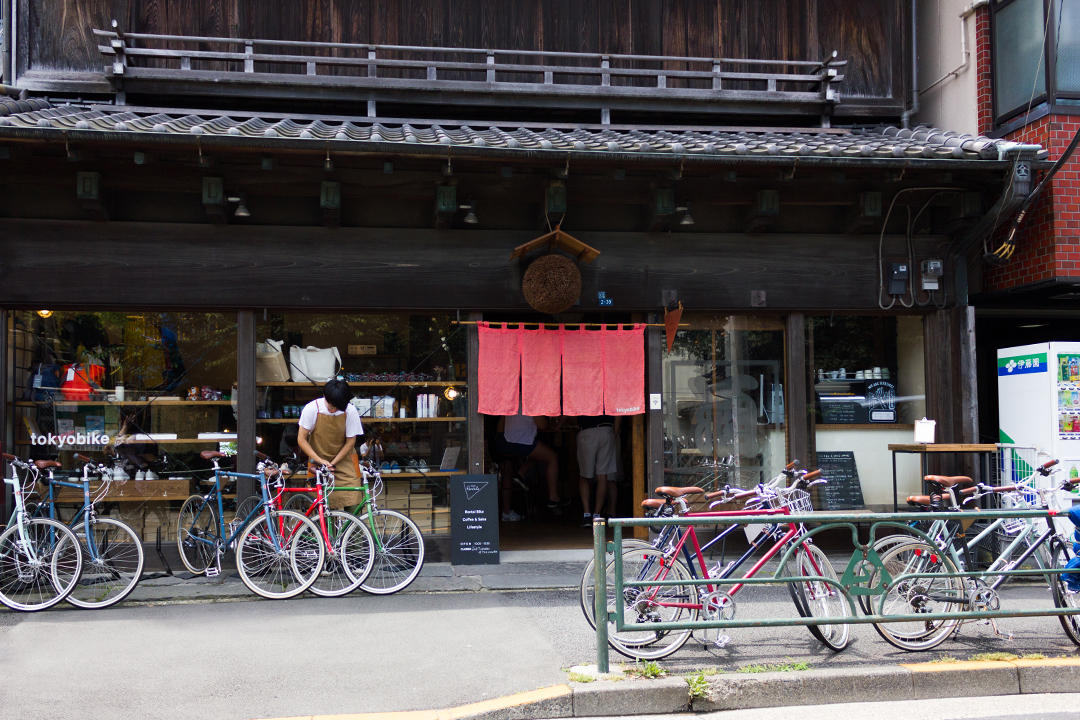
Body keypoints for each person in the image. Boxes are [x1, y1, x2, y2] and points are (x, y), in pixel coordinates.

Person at [297, 378, 363, 509]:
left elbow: (351, 441)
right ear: (324, 397)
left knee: (354, 504)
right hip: (318, 463)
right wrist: (321, 461)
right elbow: (301, 439)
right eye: (330, 406)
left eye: (336, 407)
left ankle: (352, 530)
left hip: (345, 463)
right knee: (324, 510)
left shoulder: (350, 411)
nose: (332, 410)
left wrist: (333, 462)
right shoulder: (312, 409)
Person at [495, 412, 567, 522]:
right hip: (522, 443)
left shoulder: (512, 400)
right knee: (552, 457)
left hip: (505, 443)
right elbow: (542, 425)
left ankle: (521, 473)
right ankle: (553, 497)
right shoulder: (531, 402)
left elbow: (500, 426)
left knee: (538, 454)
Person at [577, 415, 618, 527]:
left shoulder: (582, 396)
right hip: (606, 430)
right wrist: (615, 432)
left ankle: (586, 515)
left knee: (584, 476)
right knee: (602, 475)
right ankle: (597, 515)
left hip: (587, 430)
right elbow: (618, 413)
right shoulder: (608, 396)